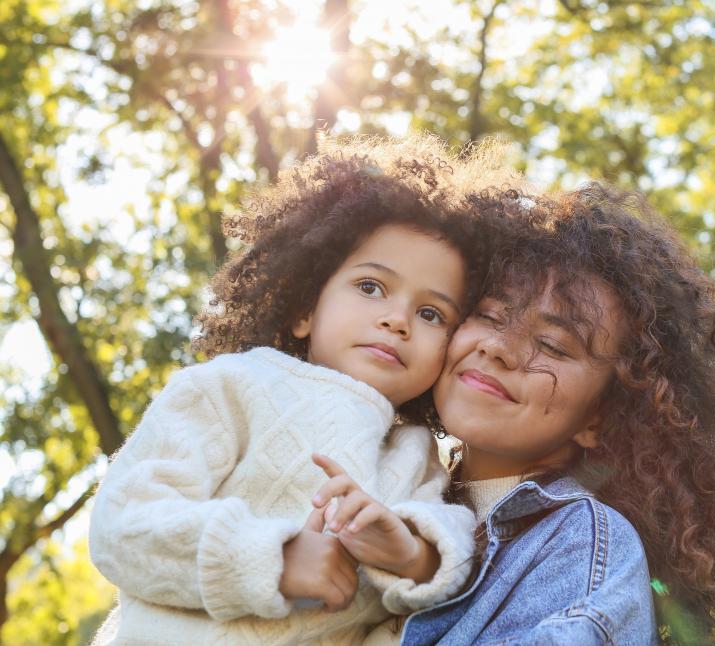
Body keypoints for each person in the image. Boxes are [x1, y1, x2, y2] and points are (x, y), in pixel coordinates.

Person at [367, 183, 715, 645]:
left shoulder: (583, 545)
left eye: (552, 345)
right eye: (492, 316)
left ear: (599, 418)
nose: (498, 348)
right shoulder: (389, 472)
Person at [88, 135, 521, 645]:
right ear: (304, 309)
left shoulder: (415, 456)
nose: (397, 319)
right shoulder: (231, 387)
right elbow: (123, 524)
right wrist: (274, 556)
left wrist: (409, 553)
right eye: (370, 286)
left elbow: (445, 557)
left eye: (431, 314)